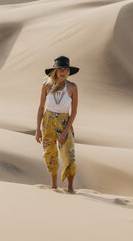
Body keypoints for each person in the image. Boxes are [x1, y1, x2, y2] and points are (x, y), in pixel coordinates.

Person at [35, 56, 79, 193]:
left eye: (66, 69)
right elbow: (41, 108)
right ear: (55, 71)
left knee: (69, 154)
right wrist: (38, 129)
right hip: (47, 122)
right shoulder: (46, 86)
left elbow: (74, 111)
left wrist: (65, 131)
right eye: (60, 69)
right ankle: (54, 186)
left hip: (64, 122)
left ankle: (70, 188)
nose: (63, 72)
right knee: (50, 153)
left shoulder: (72, 87)